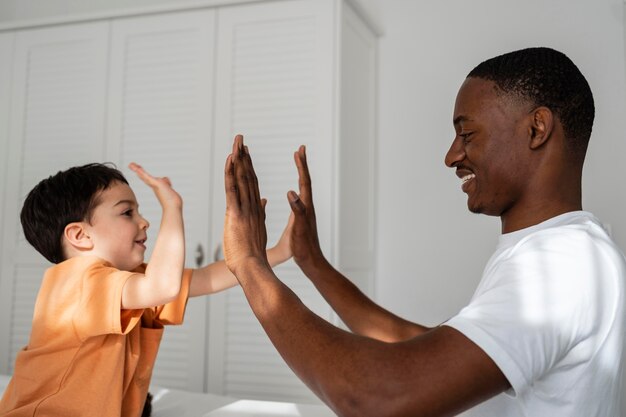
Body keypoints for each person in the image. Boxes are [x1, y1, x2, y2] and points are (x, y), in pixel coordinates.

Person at [222, 46, 626, 416]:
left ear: (537, 129)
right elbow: (419, 347)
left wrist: (250, 266)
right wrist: (313, 263)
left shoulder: (560, 264)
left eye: (466, 134)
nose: (451, 156)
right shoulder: (565, 251)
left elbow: (379, 396)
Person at [0, 162, 292, 417]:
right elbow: (163, 286)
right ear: (80, 235)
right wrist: (172, 207)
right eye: (127, 213)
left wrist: (280, 251)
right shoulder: (77, 282)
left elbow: (203, 279)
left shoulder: (128, 281)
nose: (144, 221)